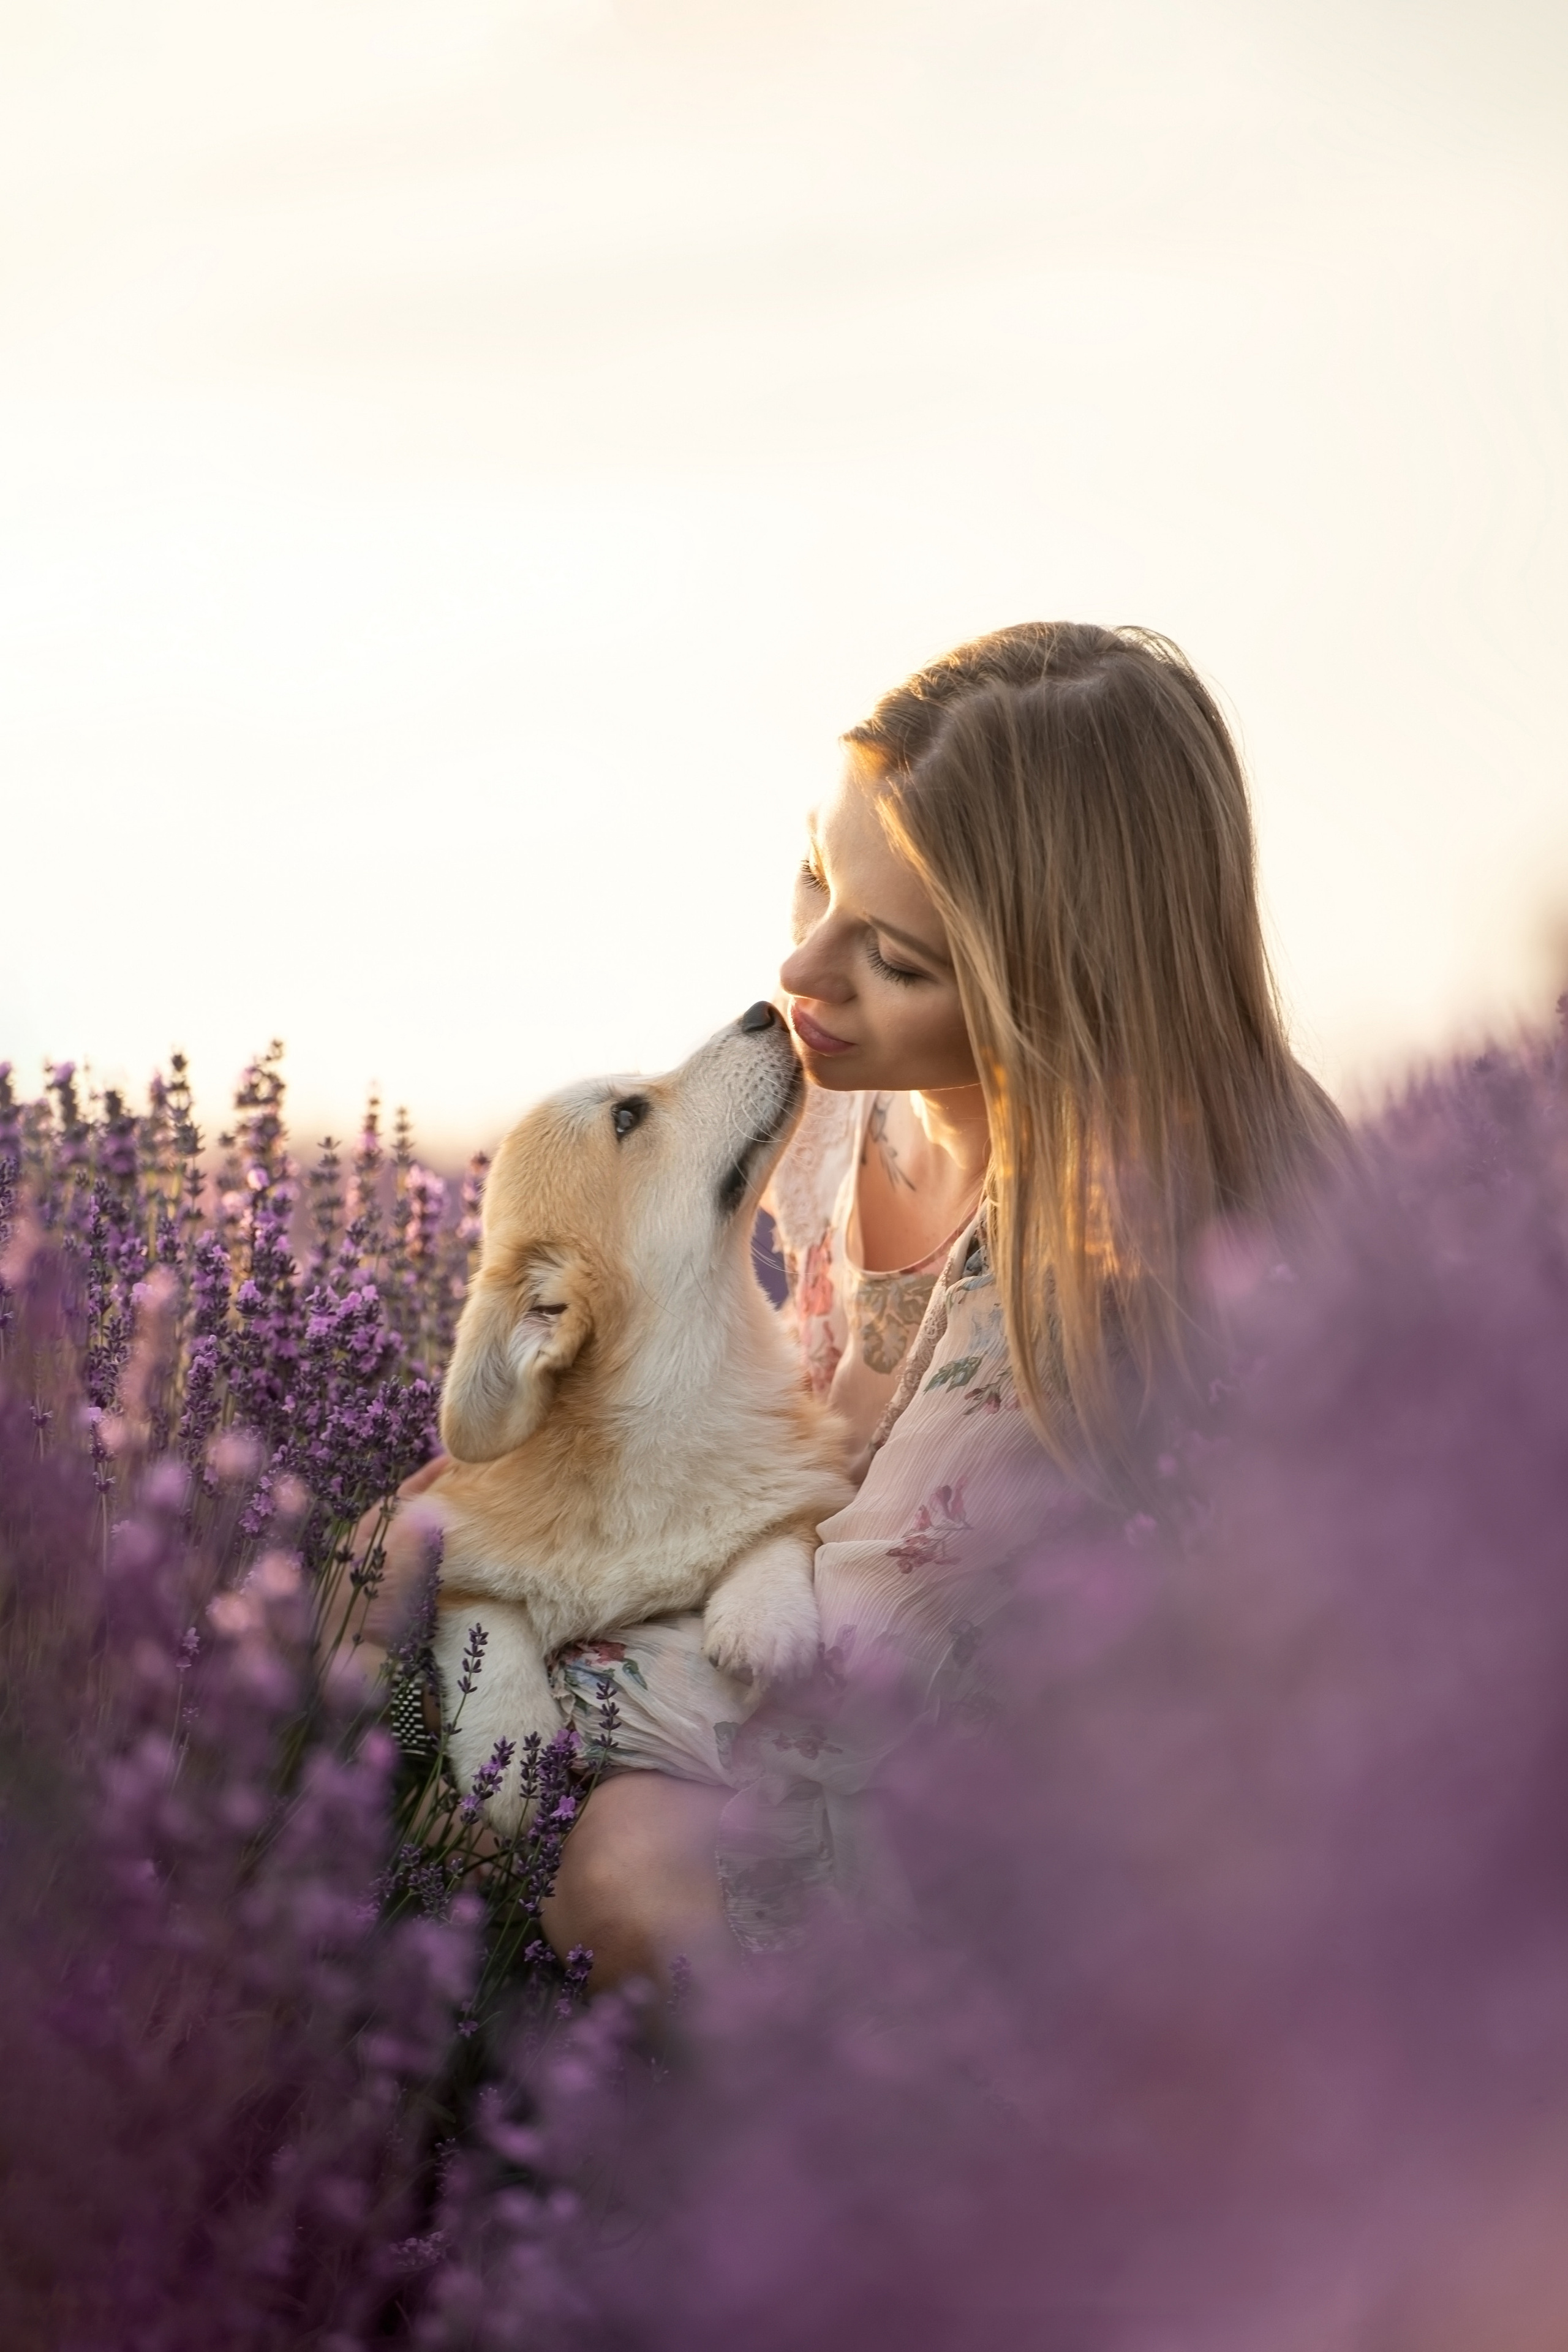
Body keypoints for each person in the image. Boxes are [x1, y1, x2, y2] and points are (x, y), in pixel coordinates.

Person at [365, 622, 1343, 1989]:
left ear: (1051, 993)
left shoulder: (1107, 1239)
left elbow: (847, 1685)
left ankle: (917, 2164)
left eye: (892, 956)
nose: (802, 975)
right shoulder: (849, 1114)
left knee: (622, 1861)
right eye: (814, 877)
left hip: (1040, 1810)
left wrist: (465, 1664)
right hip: (845, 1643)